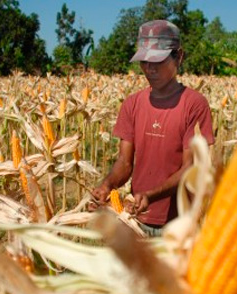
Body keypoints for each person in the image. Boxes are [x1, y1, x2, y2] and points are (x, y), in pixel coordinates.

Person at [91, 19, 214, 236]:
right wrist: (107, 185)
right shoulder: (132, 104)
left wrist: (151, 195)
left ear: (179, 57)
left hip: (179, 225)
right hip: (135, 219)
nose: (149, 68)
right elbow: (124, 162)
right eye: (144, 61)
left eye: (157, 61)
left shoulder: (194, 104)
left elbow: (190, 168)